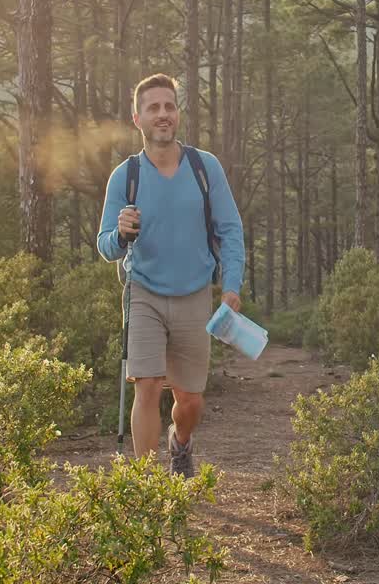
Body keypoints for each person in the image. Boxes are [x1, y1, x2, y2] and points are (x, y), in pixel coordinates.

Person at [96, 73, 245, 477]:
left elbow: (230, 229)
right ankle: (147, 488)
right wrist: (121, 233)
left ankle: (180, 443)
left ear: (176, 114)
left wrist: (231, 286)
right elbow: (105, 245)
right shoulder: (125, 177)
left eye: (169, 106)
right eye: (153, 108)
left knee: (190, 399)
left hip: (195, 294)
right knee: (146, 385)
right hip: (142, 291)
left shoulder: (204, 167)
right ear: (137, 118)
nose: (162, 114)